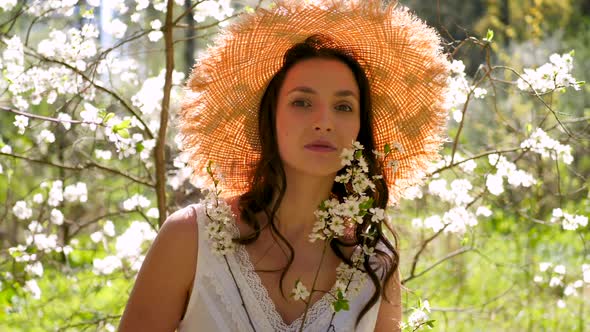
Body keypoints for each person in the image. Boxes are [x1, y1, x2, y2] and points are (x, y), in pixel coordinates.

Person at [119, 1, 450, 331]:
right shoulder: (191, 238)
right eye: (302, 102)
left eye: (344, 106)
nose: (324, 121)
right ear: (269, 118)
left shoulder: (375, 264)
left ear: (360, 130)